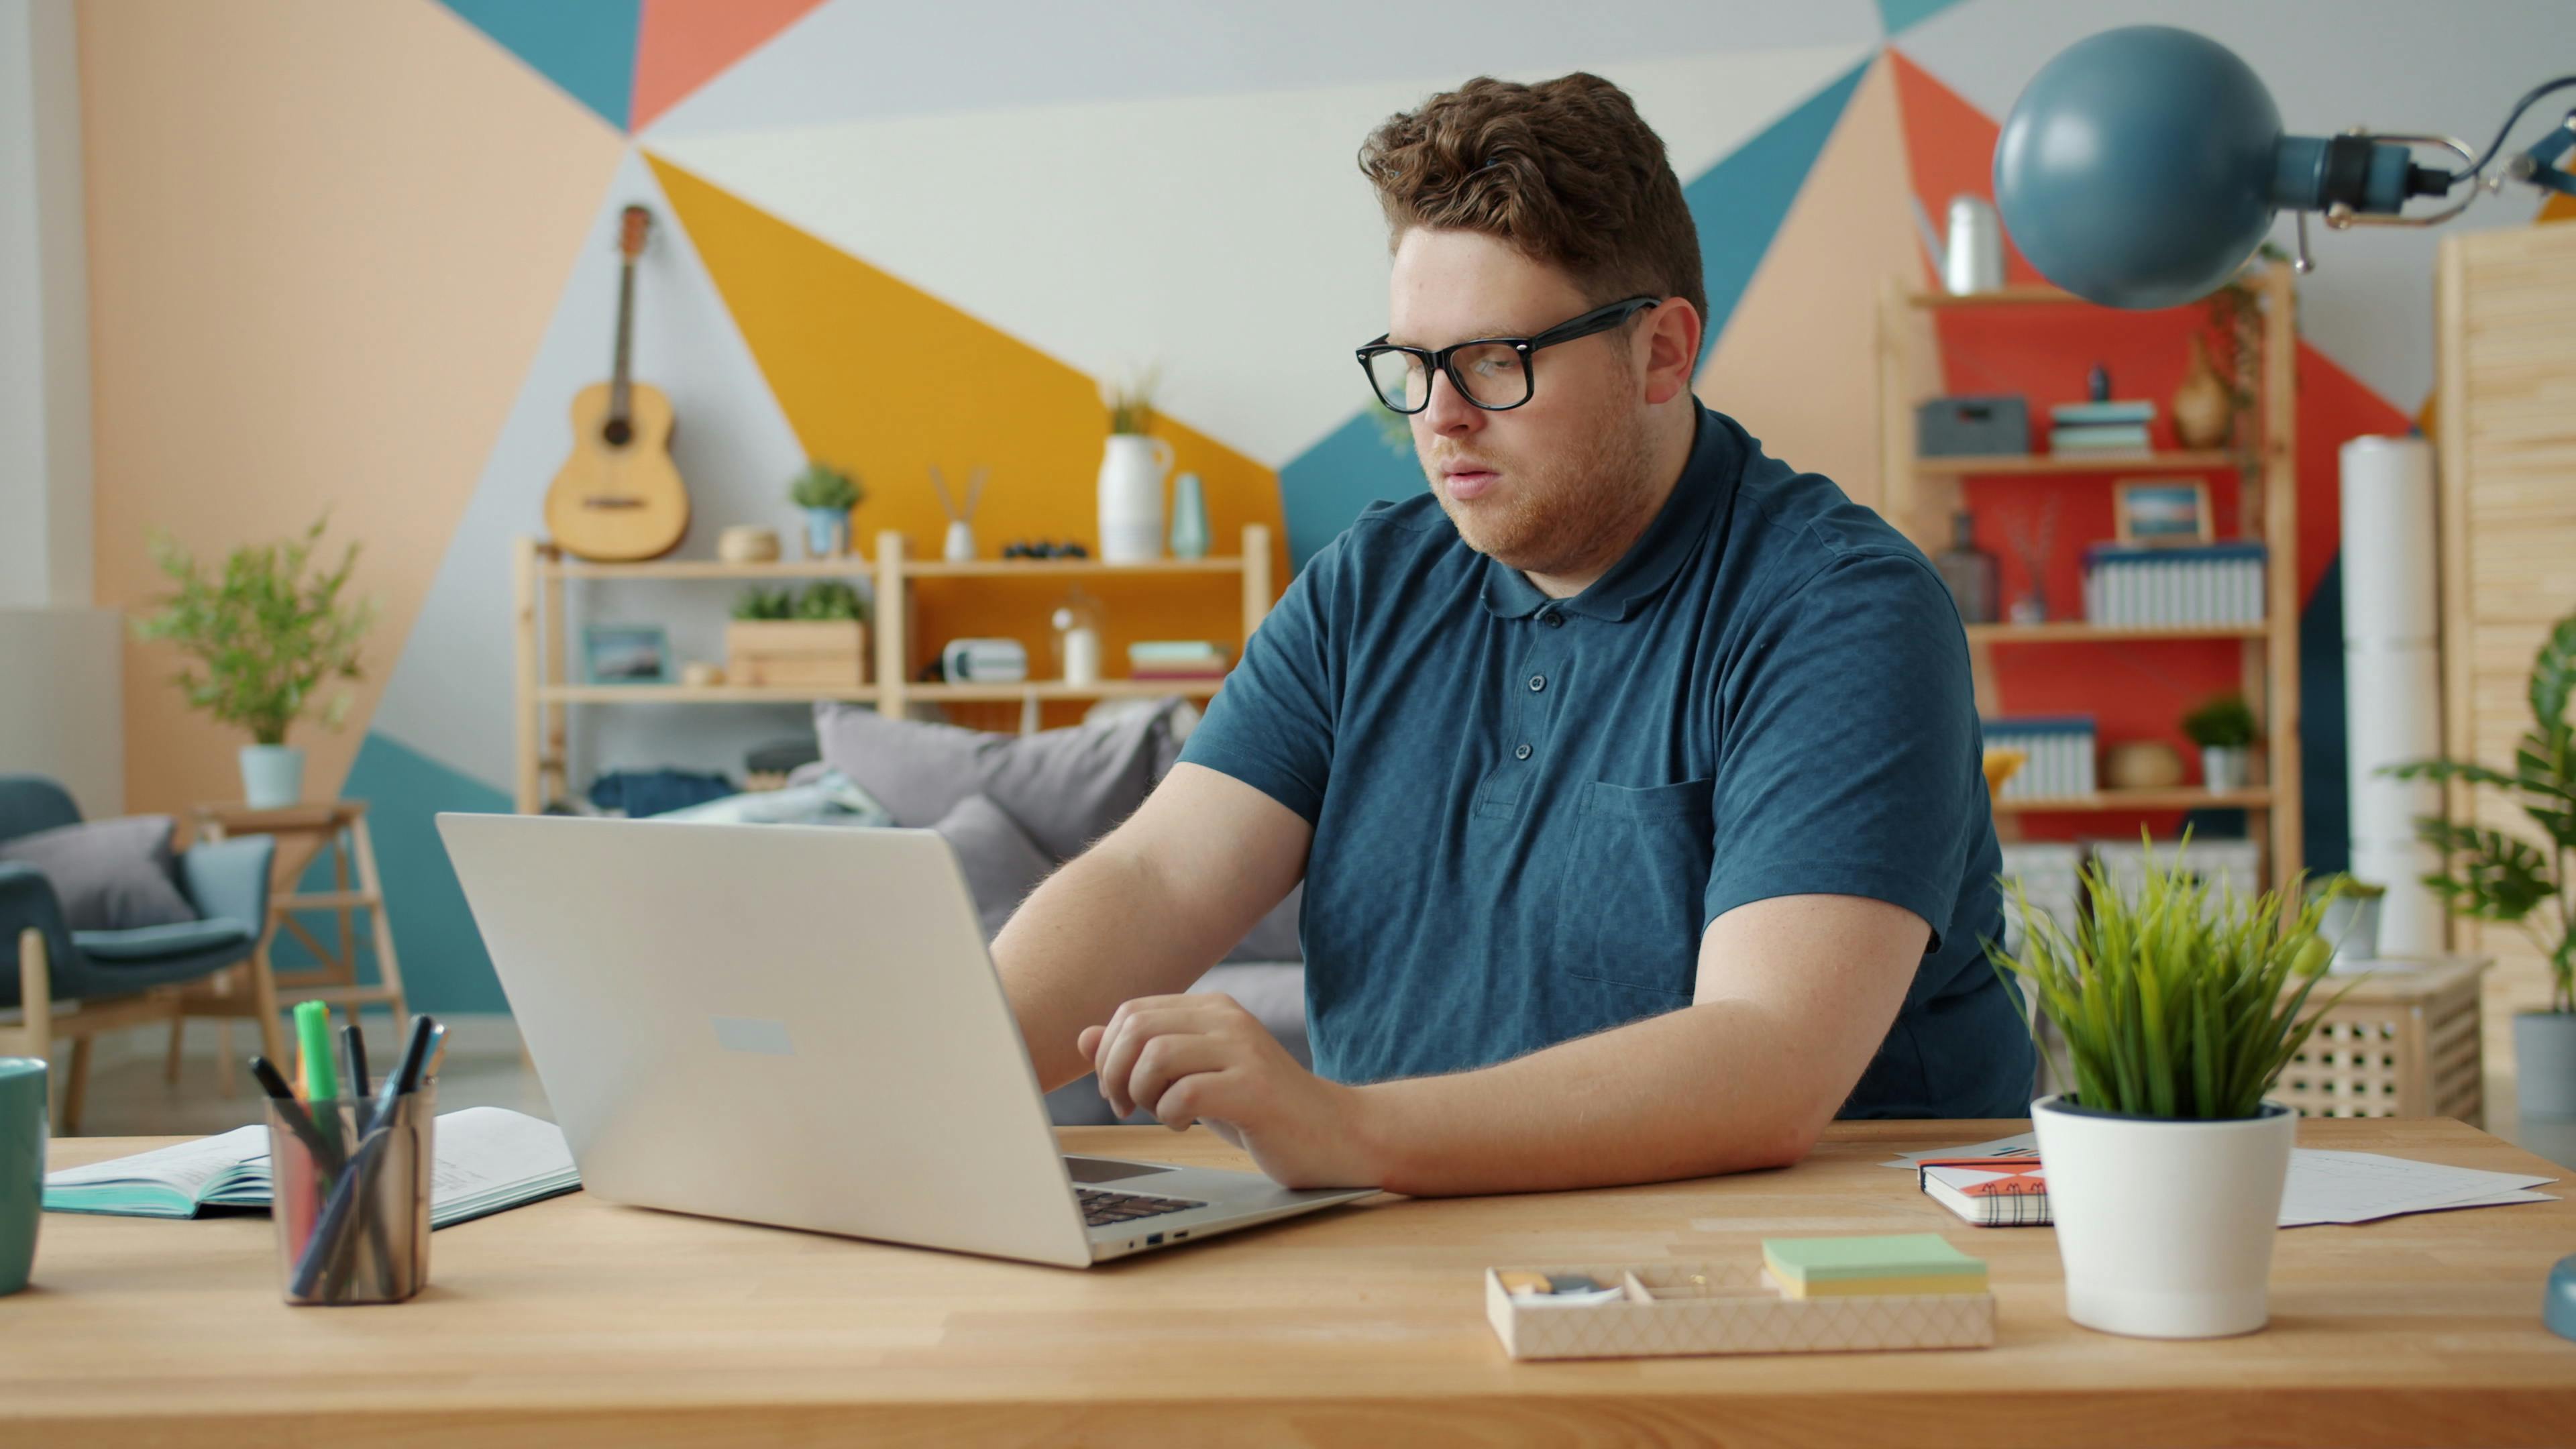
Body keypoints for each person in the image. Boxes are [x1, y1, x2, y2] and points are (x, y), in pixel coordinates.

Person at [993, 72, 2031, 1195]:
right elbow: (1156, 875)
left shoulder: (1841, 609)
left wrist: (1346, 1130)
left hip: (1797, 1272)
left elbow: (1769, 1056)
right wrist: (943, 1066)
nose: (1440, 417)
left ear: (1663, 354)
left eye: (1495, 360)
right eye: (1414, 365)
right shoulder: (1366, 589)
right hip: (1415, 1243)